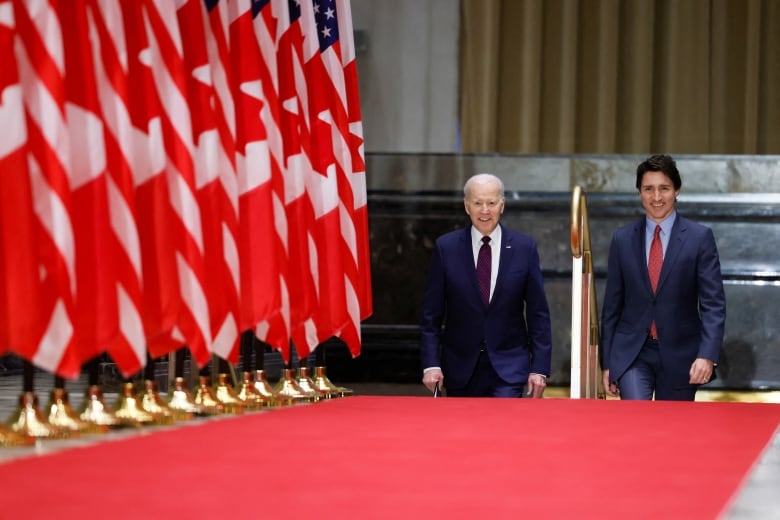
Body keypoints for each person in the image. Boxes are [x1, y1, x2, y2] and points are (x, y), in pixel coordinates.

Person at [600, 154, 726, 401]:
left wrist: (707, 355)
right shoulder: (622, 239)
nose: (656, 197)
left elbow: (713, 305)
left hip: (682, 356)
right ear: (639, 193)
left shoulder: (699, 239)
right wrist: (607, 364)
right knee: (636, 424)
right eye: (648, 189)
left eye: (664, 189)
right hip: (633, 354)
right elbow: (611, 307)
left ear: (676, 190)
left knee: (674, 433)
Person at [419, 173, 552, 398]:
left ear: (502, 205)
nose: (484, 210)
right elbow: (431, 315)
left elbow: (538, 314)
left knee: (504, 432)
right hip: (460, 368)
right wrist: (431, 364)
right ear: (466, 206)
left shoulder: (524, 248)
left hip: (509, 369)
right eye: (477, 203)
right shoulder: (446, 248)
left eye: (491, 203)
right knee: (462, 433)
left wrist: (539, 368)